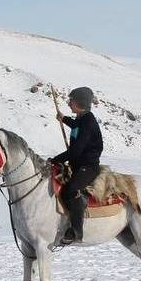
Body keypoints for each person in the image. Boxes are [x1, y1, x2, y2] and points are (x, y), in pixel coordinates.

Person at [48, 86, 103, 245]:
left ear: (80, 103)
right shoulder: (81, 118)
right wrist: (64, 119)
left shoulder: (88, 122)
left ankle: (77, 231)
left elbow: (75, 151)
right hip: (77, 164)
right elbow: (76, 126)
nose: (69, 102)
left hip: (88, 167)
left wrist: (55, 160)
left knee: (71, 189)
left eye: (71, 100)